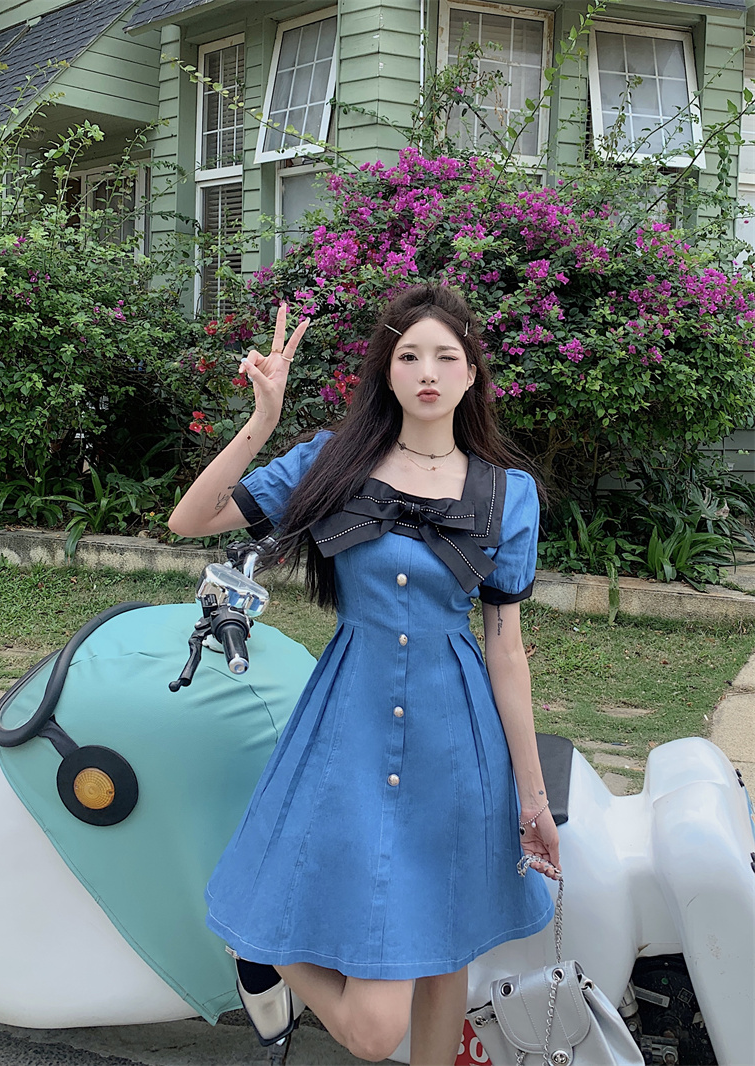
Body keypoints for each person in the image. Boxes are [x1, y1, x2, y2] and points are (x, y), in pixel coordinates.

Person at [169, 285, 560, 1066]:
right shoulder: (332, 461)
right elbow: (191, 519)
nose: (427, 371)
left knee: (446, 944)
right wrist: (263, 420)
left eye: (446, 357)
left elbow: (506, 649)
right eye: (409, 355)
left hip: (457, 740)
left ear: (472, 375)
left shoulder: (508, 494)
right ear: (387, 370)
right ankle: (260, 946)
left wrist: (532, 796)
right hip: (349, 725)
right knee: (375, 1033)